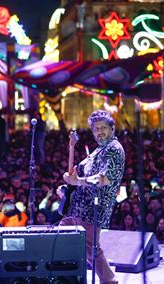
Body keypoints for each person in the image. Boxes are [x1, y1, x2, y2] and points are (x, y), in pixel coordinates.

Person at [58, 110, 124, 284]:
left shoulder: (114, 149)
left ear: (112, 128)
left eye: (103, 128)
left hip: (94, 207)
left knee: (90, 247)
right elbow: (77, 174)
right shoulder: (98, 150)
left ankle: (109, 280)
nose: (99, 132)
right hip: (77, 206)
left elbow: (104, 178)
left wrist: (78, 181)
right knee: (60, 237)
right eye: (96, 129)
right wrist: (68, 185)